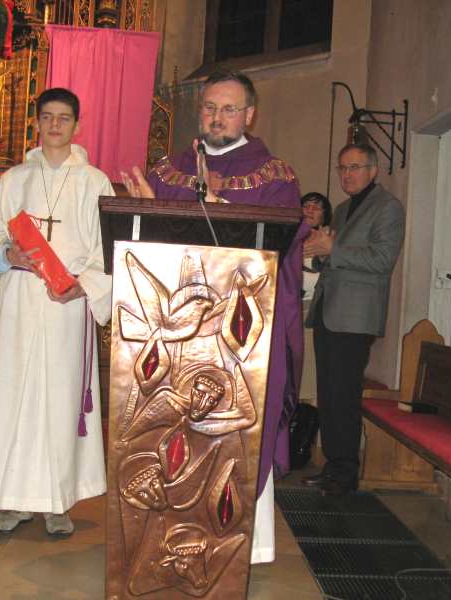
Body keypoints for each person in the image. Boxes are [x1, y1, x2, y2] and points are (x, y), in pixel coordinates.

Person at [120, 70, 306, 564]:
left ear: (249, 115)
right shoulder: (167, 173)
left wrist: (220, 208)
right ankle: (166, 542)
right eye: (209, 107)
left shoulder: (274, 177)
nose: (216, 117)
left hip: (241, 337)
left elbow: (280, 250)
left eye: (228, 109)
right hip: (180, 341)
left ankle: (242, 545)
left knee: (234, 438)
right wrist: (145, 212)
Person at [0, 87, 114, 535]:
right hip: (18, 301)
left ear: (77, 125)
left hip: (66, 306)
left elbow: (108, 249)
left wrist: (83, 287)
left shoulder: (95, 182)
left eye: (63, 118)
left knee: (59, 401)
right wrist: (6, 256)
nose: (54, 125)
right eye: (47, 117)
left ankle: (57, 503)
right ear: (35, 123)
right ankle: (12, 501)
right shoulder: (15, 180)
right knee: (13, 397)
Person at [302, 142, 405, 495]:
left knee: (344, 395)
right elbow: (334, 257)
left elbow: (382, 260)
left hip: (356, 315)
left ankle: (345, 475)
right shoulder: (344, 209)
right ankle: (333, 466)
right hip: (329, 311)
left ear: (373, 170)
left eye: (355, 167)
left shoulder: (388, 208)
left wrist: (333, 249)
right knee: (329, 394)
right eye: (342, 168)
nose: (347, 174)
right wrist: (318, 253)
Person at [300, 192, 332, 299]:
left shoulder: (330, 238)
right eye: (306, 206)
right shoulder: (288, 236)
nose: (310, 210)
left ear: (324, 215)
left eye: (316, 208)